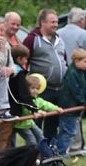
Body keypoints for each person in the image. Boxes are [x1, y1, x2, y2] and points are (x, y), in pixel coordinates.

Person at [23, 9, 67, 140]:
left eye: (57, 22)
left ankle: (50, 147)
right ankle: (35, 147)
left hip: (59, 88)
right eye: (52, 22)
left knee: (53, 122)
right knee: (37, 121)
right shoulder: (32, 39)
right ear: (42, 22)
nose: (56, 25)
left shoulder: (59, 39)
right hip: (41, 89)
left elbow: (64, 60)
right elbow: (23, 61)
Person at [56, 48, 86, 155]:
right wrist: (85, 102)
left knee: (71, 131)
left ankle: (62, 152)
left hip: (74, 108)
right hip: (69, 108)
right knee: (68, 132)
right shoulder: (72, 73)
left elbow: (85, 87)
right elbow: (76, 91)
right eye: (85, 61)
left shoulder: (80, 72)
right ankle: (61, 153)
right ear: (76, 61)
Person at [0, 43, 32, 151]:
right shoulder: (18, 73)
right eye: (25, 59)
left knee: (7, 136)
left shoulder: (11, 70)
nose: (26, 61)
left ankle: (5, 155)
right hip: (12, 109)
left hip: (9, 107)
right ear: (19, 58)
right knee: (5, 136)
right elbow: (23, 92)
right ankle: (0, 156)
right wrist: (32, 106)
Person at [15, 74, 62, 148]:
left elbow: (45, 104)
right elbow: (25, 108)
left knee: (40, 135)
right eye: (32, 88)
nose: (35, 91)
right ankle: (31, 153)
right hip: (21, 125)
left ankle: (43, 150)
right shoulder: (23, 99)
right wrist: (36, 112)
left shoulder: (37, 99)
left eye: (37, 89)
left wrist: (56, 108)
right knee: (32, 141)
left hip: (29, 122)